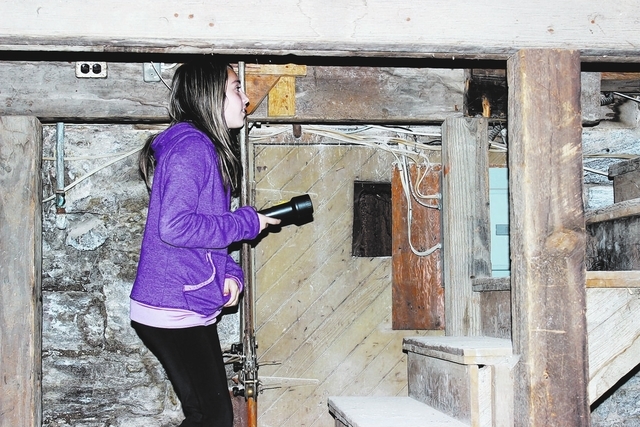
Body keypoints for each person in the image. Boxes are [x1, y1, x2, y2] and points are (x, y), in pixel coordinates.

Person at [130, 59, 280, 427]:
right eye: (236, 89)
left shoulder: (200, 147)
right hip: (173, 304)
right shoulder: (192, 148)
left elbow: (207, 234)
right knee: (214, 418)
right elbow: (176, 227)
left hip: (177, 302)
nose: (246, 99)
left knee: (203, 415)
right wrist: (246, 222)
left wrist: (230, 272)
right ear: (210, 96)